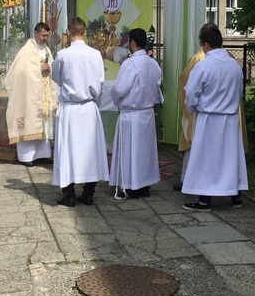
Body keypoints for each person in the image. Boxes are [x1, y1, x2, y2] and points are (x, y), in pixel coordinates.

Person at [182, 24, 248, 211]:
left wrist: (192, 109)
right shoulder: (235, 66)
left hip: (209, 118)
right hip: (230, 119)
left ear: (205, 45)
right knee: (230, 158)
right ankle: (236, 197)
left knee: (207, 159)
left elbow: (191, 94)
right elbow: (240, 92)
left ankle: (204, 200)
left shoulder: (203, 66)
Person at [51, 17, 109, 207]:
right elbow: (100, 82)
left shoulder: (62, 55)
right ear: (84, 33)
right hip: (89, 107)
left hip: (70, 108)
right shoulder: (95, 54)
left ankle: (69, 195)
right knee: (89, 150)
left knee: (68, 150)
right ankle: (89, 193)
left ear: (68, 33)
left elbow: (56, 77)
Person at [109, 28, 163, 198]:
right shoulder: (153, 63)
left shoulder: (130, 64)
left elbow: (119, 89)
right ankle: (144, 184)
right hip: (147, 113)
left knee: (131, 151)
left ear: (132, 43)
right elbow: (157, 84)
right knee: (144, 152)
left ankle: (131, 185)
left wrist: (118, 103)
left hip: (131, 114)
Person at [5, 22, 57, 167]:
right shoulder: (26, 51)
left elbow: (52, 65)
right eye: (43, 35)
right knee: (30, 121)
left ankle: (43, 155)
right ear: (36, 33)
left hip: (44, 92)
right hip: (30, 95)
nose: (45, 38)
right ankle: (26, 156)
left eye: (47, 35)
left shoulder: (46, 50)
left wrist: (49, 68)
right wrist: (38, 68)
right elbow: (20, 70)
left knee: (43, 123)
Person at [173, 47, 206, 191]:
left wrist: (188, 109)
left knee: (193, 144)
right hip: (227, 117)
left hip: (201, 113)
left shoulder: (198, 59)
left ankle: (187, 179)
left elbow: (186, 85)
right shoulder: (229, 60)